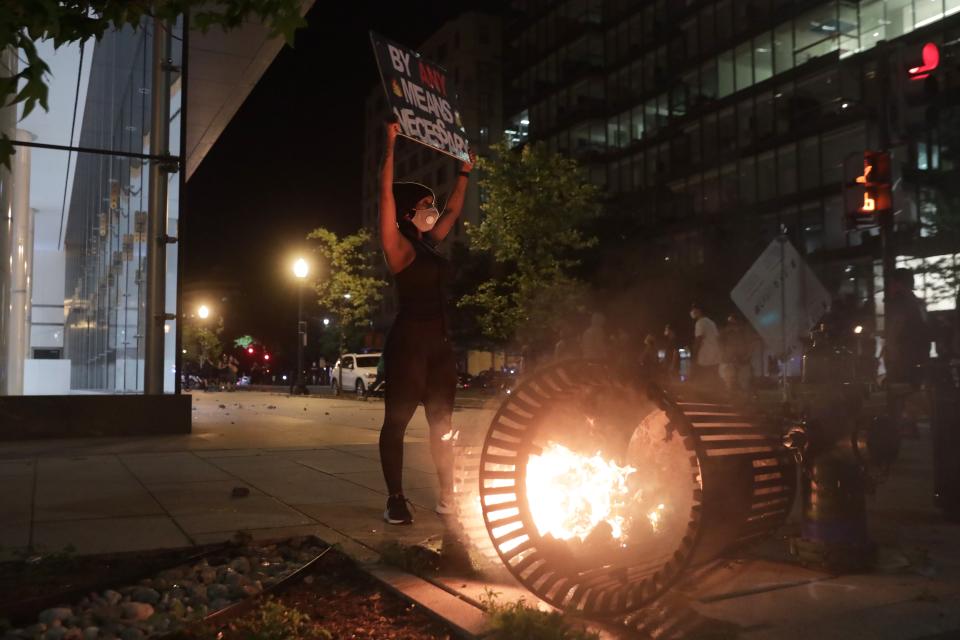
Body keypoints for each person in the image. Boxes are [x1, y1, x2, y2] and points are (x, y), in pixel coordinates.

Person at [377, 121, 474, 525]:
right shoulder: (398, 247)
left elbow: (453, 209)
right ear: (407, 214)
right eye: (425, 206)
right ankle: (395, 499)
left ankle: (448, 493)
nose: (433, 212)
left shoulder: (430, 246)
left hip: (439, 346)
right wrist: (390, 143)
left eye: (432, 206)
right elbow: (383, 193)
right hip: (409, 346)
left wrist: (465, 171)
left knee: (443, 425)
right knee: (397, 423)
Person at [719, 314, 754, 395]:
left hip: (743, 362)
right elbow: (720, 343)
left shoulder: (745, 332)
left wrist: (746, 357)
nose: (732, 325)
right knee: (728, 379)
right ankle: (730, 394)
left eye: (734, 322)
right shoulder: (726, 333)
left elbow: (751, 345)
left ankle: (745, 397)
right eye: (731, 323)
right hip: (729, 361)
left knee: (743, 382)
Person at [690, 303, 721, 387]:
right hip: (715, 358)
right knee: (714, 382)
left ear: (699, 311)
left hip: (705, 359)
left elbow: (698, 340)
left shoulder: (700, 323)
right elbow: (718, 339)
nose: (692, 312)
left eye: (694, 309)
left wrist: (694, 355)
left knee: (703, 382)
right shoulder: (711, 322)